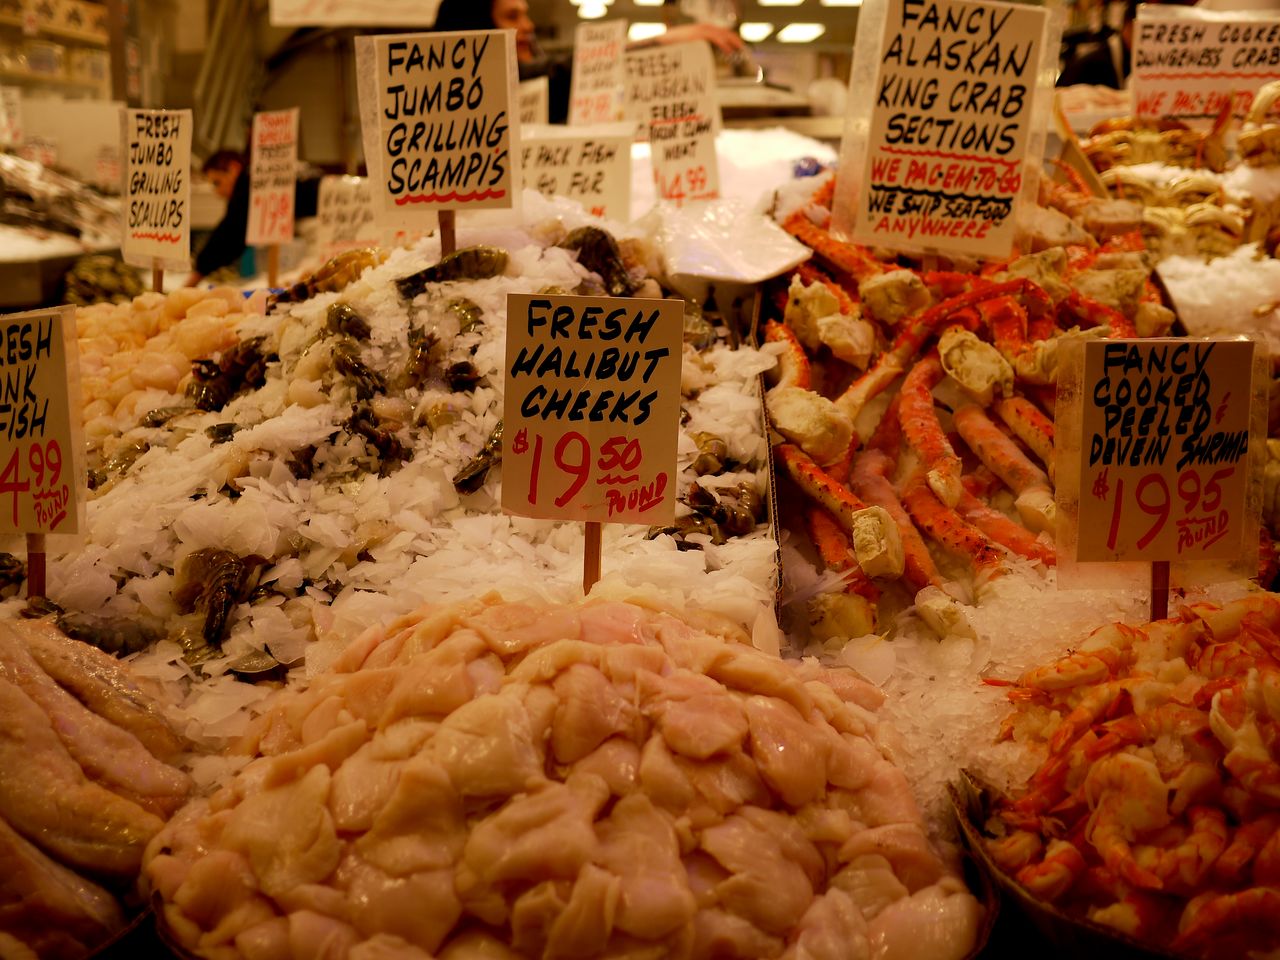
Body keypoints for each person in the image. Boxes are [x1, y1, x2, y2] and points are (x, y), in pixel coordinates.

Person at [431, 0, 745, 123]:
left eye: (526, 15)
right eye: (512, 17)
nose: (527, 27)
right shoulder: (448, 104)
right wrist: (661, 41)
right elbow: (563, 70)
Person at [188, 150, 250, 286]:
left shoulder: (247, 186)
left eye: (217, 183)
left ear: (234, 168)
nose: (217, 193)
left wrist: (197, 273)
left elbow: (228, 235)